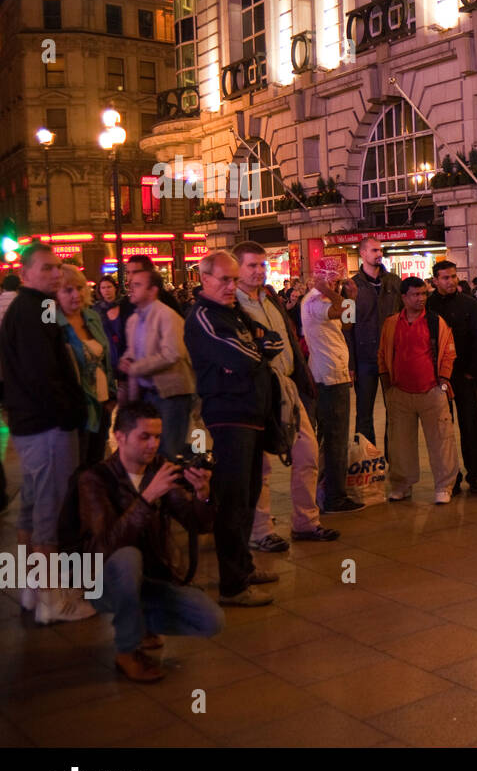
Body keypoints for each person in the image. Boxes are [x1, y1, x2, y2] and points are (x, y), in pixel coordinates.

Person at [77, 400, 224, 682]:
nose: (153, 444)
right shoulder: (95, 479)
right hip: (104, 582)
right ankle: (127, 650)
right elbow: (103, 548)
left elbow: (198, 524)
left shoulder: (158, 468)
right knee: (127, 558)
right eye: (144, 436)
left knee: (212, 621)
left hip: (153, 577)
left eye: (157, 437)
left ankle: (138, 619)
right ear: (120, 437)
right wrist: (147, 498)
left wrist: (203, 493)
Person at [0, 244, 93, 623]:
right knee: (49, 512)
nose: (56, 274)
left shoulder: (28, 307)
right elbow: (44, 373)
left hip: (30, 422)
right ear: (26, 274)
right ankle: (52, 600)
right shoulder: (37, 308)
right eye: (47, 268)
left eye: (58, 267)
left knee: (34, 505)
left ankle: (32, 590)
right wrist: (68, 412)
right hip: (47, 424)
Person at [184, 250, 283, 607]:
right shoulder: (204, 316)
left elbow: (271, 338)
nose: (231, 286)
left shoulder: (231, 313)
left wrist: (257, 347)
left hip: (251, 414)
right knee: (232, 500)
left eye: (233, 279)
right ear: (204, 279)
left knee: (247, 497)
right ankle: (233, 584)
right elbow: (244, 356)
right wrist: (257, 349)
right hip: (229, 417)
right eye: (224, 279)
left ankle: (243, 565)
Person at [234, 242, 339, 547]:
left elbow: (291, 339)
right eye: (251, 266)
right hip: (257, 391)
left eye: (262, 265)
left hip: (289, 387)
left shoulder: (270, 299)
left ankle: (306, 522)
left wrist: (302, 379)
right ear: (237, 268)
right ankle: (260, 531)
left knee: (307, 454)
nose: (258, 271)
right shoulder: (234, 306)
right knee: (261, 465)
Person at [378, 277, 459, 504]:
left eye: (423, 294)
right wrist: (387, 386)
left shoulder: (435, 322)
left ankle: (444, 485)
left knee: (441, 441)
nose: (420, 298)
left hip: (431, 390)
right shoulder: (391, 323)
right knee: (400, 443)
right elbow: (383, 355)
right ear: (404, 297)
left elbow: (448, 353)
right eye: (415, 294)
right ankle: (401, 485)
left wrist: (443, 382)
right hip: (400, 392)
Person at [300, 259, 363, 514]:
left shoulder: (326, 301)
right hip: (328, 377)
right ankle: (334, 497)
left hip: (334, 374)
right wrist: (327, 290)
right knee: (336, 438)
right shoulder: (316, 302)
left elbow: (347, 322)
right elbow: (340, 310)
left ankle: (327, 491)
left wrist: (351, 298)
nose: (338, 284)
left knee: (333, 437)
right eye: (335, 279)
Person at [429, 260, 477, 494]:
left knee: (470, 426)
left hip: (464, 375)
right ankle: (450, 477)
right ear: (435, 280)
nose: (451, 281)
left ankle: (475, 474)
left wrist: (471, 372)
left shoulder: (470, 304)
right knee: (443, 429)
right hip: (438, 377)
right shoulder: (430, 305)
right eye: (445, 278)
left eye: (454, 276)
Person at [121, 268, 196, 459]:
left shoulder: (166, 316)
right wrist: (127, 360)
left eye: (137, 285)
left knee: (168, 451)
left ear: (152, 290)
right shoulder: (134, 320)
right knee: (151, 451)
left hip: (172, 394)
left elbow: (173, 353)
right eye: (130, 284)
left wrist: (136, 367)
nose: (131, 288)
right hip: (147, 395)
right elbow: (133, 351)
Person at [55, 265, 115, 466]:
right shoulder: (53, 324)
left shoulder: (92, 316)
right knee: (76, 469)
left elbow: (105, 360)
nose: (76, 294)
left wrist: (111, 397)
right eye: (68, 290)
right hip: (77, 408)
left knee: (96, 465)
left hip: (102, 404)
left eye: (80, 288)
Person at [345, 237, 402, 445]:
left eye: (381, 250)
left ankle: (393, 457)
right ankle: (367, 461)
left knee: (395, 411)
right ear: (363, 254)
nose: (379, 253)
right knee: (364, 413)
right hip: (364, 358)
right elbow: (346, 326)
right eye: (374, 250)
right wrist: (350, 363)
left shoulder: (394, 282)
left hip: (391, 357)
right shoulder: (351, 286)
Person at [92, 276, 128, 390]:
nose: (106, 290)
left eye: (109, 287)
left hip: (124, 351)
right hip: (107, 353)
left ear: (115, 288)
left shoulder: (126, 305)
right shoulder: (96, 309)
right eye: (103, 288)